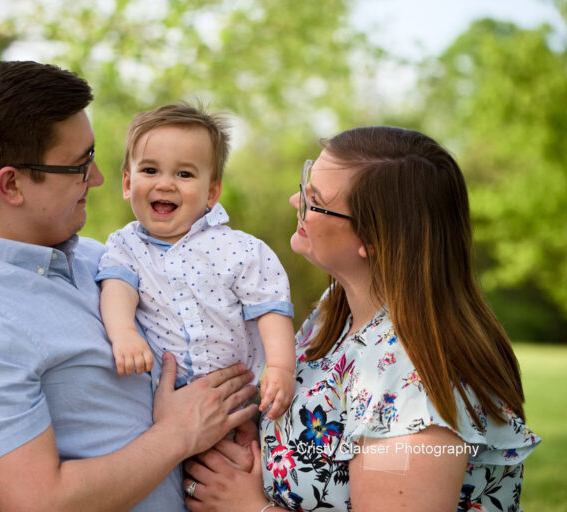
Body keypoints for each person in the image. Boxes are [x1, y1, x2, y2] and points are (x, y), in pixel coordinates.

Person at [0, 61, 259, 512]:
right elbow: (39, 501)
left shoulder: (100, 257)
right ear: (11, 184)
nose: (97, 178)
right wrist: (177, 436)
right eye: (79, 165)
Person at [181, 126, 541, 511]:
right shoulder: (334, 311)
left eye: (314, 200)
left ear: (373, 239)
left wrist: (248, 508)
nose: (294, 200)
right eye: (305, 183)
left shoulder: (417, 380)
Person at [96, 103, 296, 419]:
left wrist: (281, 366)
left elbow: (270, 307)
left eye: (184, 174)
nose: (165, 184)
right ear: (127, 183)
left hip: (240, 397)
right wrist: (123, 333)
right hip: (167, 404)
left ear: (211, 193)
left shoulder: (238, 249)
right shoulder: (126, 246)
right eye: (150, 170)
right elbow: (118, 288)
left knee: (244, 456)